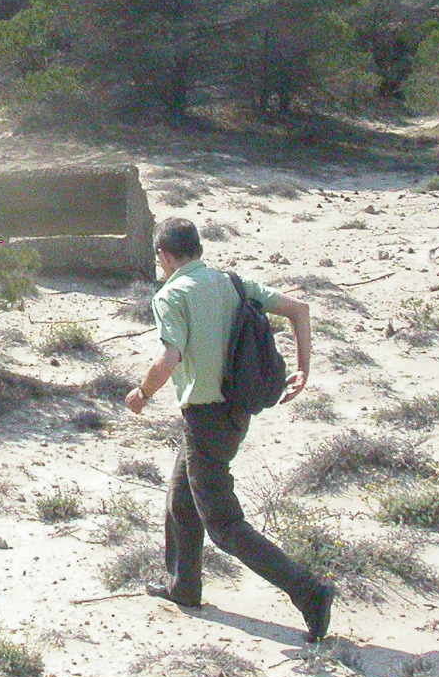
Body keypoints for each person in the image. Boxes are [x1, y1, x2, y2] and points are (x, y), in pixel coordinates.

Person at [123, 216, 335, 642]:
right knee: (181, 498)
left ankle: (310, 592)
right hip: (236, 411)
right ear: (198, 248)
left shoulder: (171, 295)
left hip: (206, 419)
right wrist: (303, 369)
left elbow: (169, 358)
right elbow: (299, 309)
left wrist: (142, 393)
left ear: (164, 255)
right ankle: (183, 586)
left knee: (223, 525)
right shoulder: (231, 282)